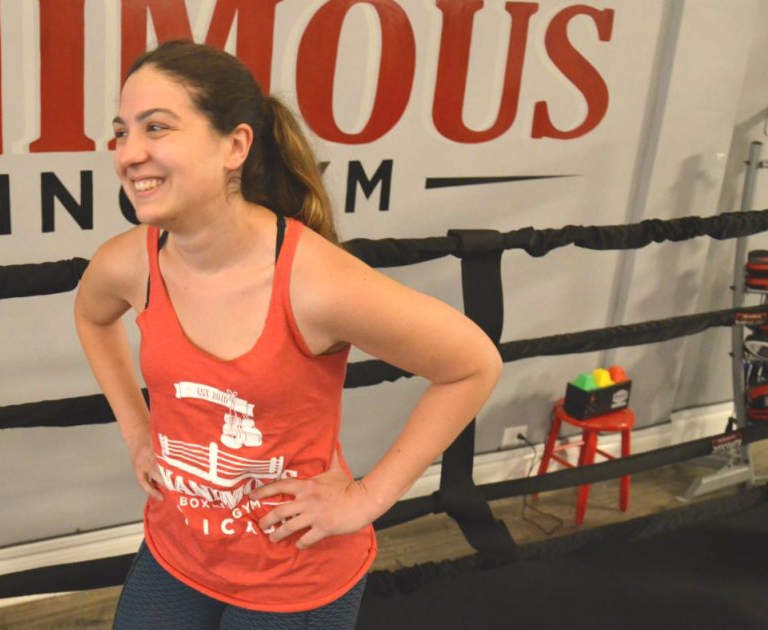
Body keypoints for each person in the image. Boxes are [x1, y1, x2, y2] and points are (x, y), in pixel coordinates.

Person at [74, 40, 502, 629]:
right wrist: (137, 430)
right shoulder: (130, 263)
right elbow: (92, 318)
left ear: (235, 145)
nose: (129, 154)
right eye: (122, 132)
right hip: (178, 552)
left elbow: (473, 364)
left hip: (293, 577)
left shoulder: (316, 282)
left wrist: (367, 498)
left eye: (157, 128)